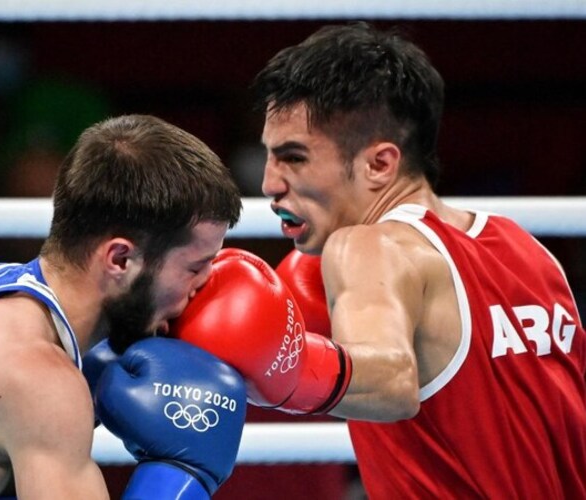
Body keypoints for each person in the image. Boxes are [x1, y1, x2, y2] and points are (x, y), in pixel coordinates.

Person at [171, 22, 586, 497]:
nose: (270, 183)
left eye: (295, 158)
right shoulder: (527, 250)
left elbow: (391, 381)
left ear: (380, 164)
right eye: (268, 156)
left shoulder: (367, 246)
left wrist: (279, 366)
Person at [0, 114, 247, 499]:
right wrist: (182, 476)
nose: (205, 284)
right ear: (121, 260)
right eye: (194, 267)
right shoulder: (38, 379)